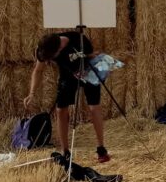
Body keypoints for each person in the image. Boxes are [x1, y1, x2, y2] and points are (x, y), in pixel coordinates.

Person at [24, 31, 110, 165]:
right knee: (60, 110)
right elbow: (38, 70)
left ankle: (101, 148)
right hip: (67, 75)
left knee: (94, 107)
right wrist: (32, 93)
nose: (48, 62)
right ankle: (65, 151)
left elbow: (91, 55)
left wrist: (93, 57)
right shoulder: (43, 49)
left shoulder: (79, 40)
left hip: (87, 69)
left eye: (51, 59)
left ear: (59, 49)